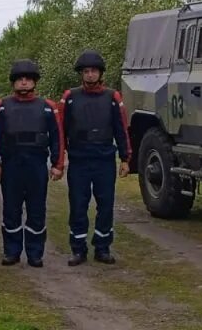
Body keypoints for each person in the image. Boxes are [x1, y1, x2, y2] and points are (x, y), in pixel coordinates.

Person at [0, 59, 64, 268]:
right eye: (20, 79)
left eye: (28, 79)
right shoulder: (2, 106)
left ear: (34, 82)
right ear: (14, 83)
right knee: (11, 209)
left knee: (37, 210)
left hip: (37, 164)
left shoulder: (47, 107)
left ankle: (35, 253)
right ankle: (12, 252)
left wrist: (57, 164)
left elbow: (57, 137)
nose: (24, 83)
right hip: (11, 164)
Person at [60, 50, 131, 266]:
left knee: (106, 204)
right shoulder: (70, 97)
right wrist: (59, 158)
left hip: (104, 159)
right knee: (78, 204)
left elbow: (121, 130)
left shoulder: (112, 97)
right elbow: (60, 130)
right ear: (81, 74)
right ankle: (78, 249)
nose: (90, 75)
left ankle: (102, 247)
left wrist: (125, 158)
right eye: (86, 71)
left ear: (100, 74)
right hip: (79, 159)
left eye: (94, 71)